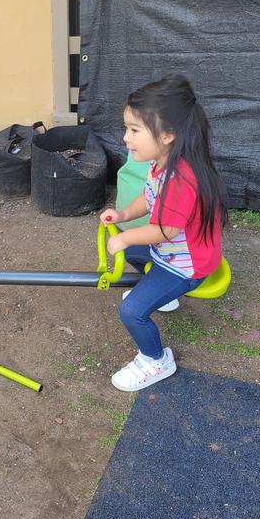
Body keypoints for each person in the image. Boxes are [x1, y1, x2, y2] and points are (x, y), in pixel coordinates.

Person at [99, 73, 228, 391]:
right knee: (131, 252)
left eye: (134, 130)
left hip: (186, 265)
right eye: (126, 129)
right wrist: (125, 214)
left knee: (131, 311)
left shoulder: (181, 179)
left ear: (168, 133)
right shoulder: (162, 163)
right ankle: (163, 296)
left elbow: (165, 230)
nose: (126, 139)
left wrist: (126, 234)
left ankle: (155, 360)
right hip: (174, 252)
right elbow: (149, 196)